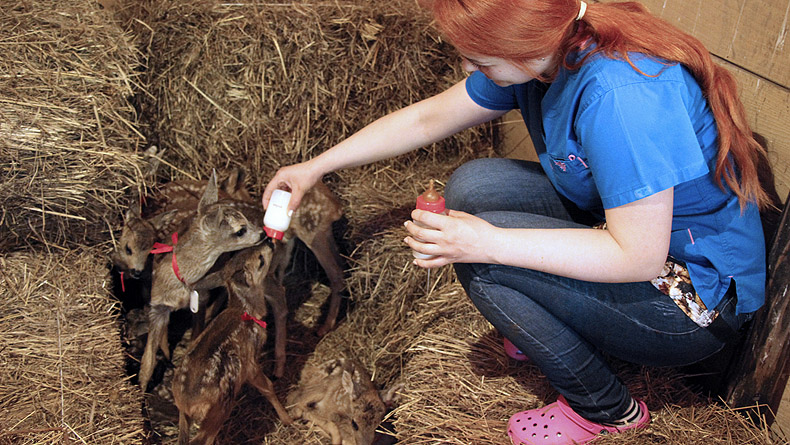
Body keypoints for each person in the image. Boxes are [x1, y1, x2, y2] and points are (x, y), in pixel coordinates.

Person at [263, 0, 772, 443]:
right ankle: (545, 319)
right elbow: (426, 118)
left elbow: (638, 256)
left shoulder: (619, 95)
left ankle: (606, 409)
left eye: (481, 59)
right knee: (476, 185)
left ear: (524, 45)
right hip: (628, 236)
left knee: (484, 264)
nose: (469, 67)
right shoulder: (550, 56)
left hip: (688, 297)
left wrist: (487, 244)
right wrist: (315, 167)